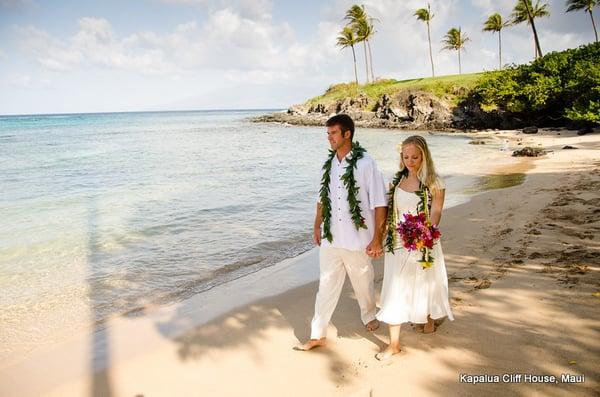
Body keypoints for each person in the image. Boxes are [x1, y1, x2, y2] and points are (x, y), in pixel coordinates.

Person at [295, 114, 388, 351]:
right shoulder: (327, 165)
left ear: (348, 134)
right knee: (326, 284)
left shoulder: (366, 163)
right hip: (331, 237)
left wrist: (378, 238)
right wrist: (316, 226)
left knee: (362, 280)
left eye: (333, 133)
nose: (329, 138)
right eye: (327, 134)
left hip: (358, 238)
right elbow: (321, 200)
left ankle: (369, 314)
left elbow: (379, 203)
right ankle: (318, 333)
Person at [375, 135, 454, 360]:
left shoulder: (434, 183)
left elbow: (437, 211)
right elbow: (389, 212)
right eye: (406, 156)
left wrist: (426, 229)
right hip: (398, 243)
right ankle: (394, 344)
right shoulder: (396, 182)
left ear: (424, 157)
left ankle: (427, 318)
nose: (410, 161)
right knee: (395, 287)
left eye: (415, 157)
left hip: (424, 240)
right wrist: (380, 237)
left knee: (425, 283)